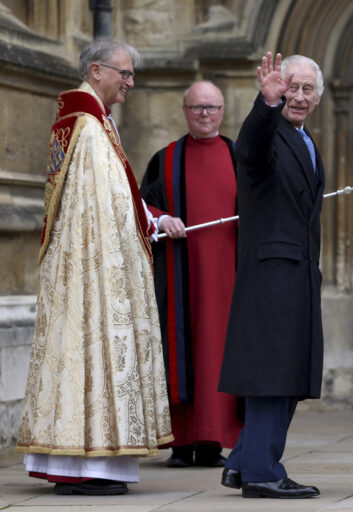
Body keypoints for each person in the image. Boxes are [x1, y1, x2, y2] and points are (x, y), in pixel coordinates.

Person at [16, 37, 173, 496]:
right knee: (91, 350)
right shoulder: (84, 123)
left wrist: (151, 219)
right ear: (97, 70)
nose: (130, 83)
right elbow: (94, 209)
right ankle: (87, 467)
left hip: (96, 264)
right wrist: (139, 232)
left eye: (132, 74)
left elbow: (116, 196)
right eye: (124, 73)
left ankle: (84, 465)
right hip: (93, 270)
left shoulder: (95, 121)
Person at [217, 52, 325, 499]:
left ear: (318, 96)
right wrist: (264, 105)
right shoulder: (270, 132)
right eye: (290, 88)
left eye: (306, 90)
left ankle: (243, 462)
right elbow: (251, 150)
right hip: (272, 274)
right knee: (272, 373)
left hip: (296, 274)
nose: (297, 97)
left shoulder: (305, 138)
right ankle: (262, 471)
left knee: (287, 371)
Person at [139, 81, 242, 469]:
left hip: (228, 278)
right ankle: (181, 443)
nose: (204, 114)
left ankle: (213, 441)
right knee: (180, 350)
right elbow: (143, 205)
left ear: (222, 111)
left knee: (220, 353)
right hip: (180, 276)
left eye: (212, 107)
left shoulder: (240, 157)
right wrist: (163, 218)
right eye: (197, 108)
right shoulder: (165, 159)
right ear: (184, 111)